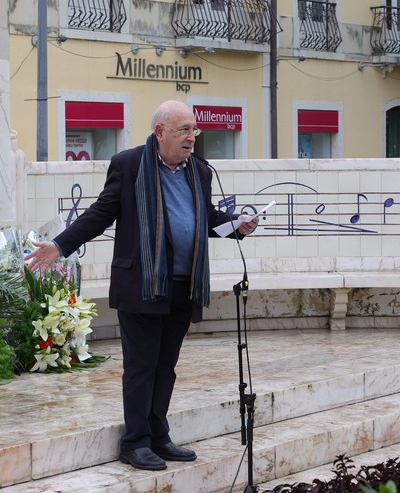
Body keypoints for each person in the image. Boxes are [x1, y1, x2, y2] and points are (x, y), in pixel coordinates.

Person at [25, 100, 257, 471]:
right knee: (141, 365)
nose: (192, 138)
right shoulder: (129, 165)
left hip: (185, 284)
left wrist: (237, 224)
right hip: (143, 283)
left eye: (194, 130)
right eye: (184, 130)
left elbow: (205, 218)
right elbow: (100, 213)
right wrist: (59, 245)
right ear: (160, 132)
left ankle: (158, 435)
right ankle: (135, 441)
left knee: (166, 366)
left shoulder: (199, 171)